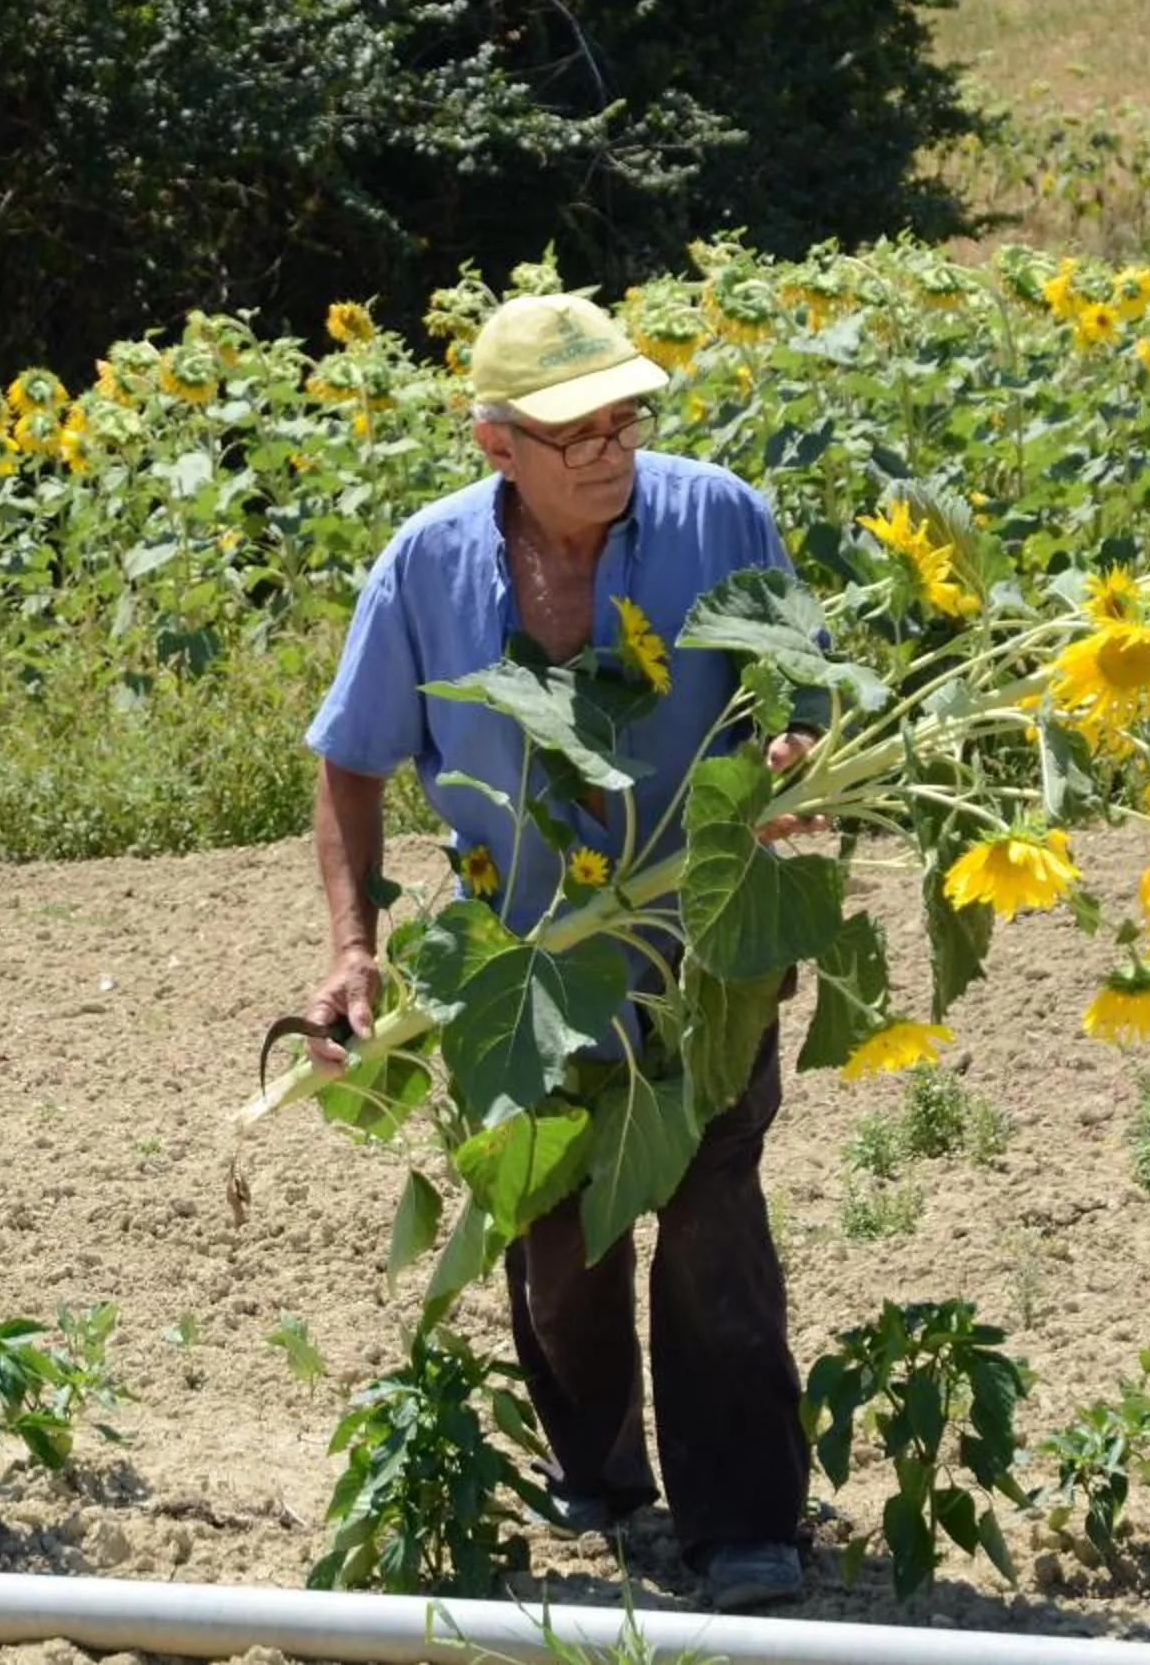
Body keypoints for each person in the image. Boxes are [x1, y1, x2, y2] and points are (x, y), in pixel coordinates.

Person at [297, 292, 826, 1612]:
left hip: (699, 947)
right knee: (552, 1230)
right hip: (516, 956)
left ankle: (745, 1522)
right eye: (571, 430)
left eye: (623, 420)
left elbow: (800, 693)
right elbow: (350, 766)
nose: (608, 449)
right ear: (496, 448)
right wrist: (357, 949)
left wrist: (795, 757)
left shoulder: (719, 519)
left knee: (710, 1215)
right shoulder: (421, 568)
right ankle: (599, 1476)